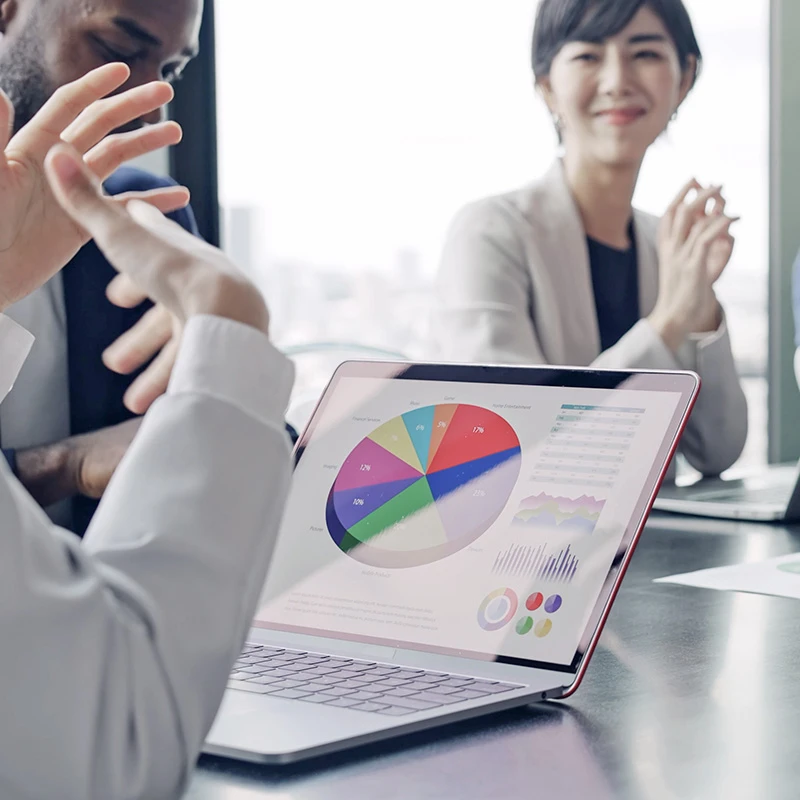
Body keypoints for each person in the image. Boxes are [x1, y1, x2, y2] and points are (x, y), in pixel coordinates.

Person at [0, 64, 294, 800]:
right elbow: (111, 754)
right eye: (115, 47)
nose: (136, 105)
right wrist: (229, 347)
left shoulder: (126, 214)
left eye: (172, 68)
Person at [435, 0, 748, 477]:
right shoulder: (491, 232)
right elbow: (507, 447)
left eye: (645, 53)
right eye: (587, 55)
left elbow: (717, 451)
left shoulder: (664, 244)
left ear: (684, 79)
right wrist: (667, 322)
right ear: (547, 87)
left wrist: (700, 305)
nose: (617, 80)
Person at [0, 0, 204, 534]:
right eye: (120, 51)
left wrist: (231, 368)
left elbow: (192, 443)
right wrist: (64, 466)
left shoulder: (143, 212)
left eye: (171, 70)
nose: (150, 108)